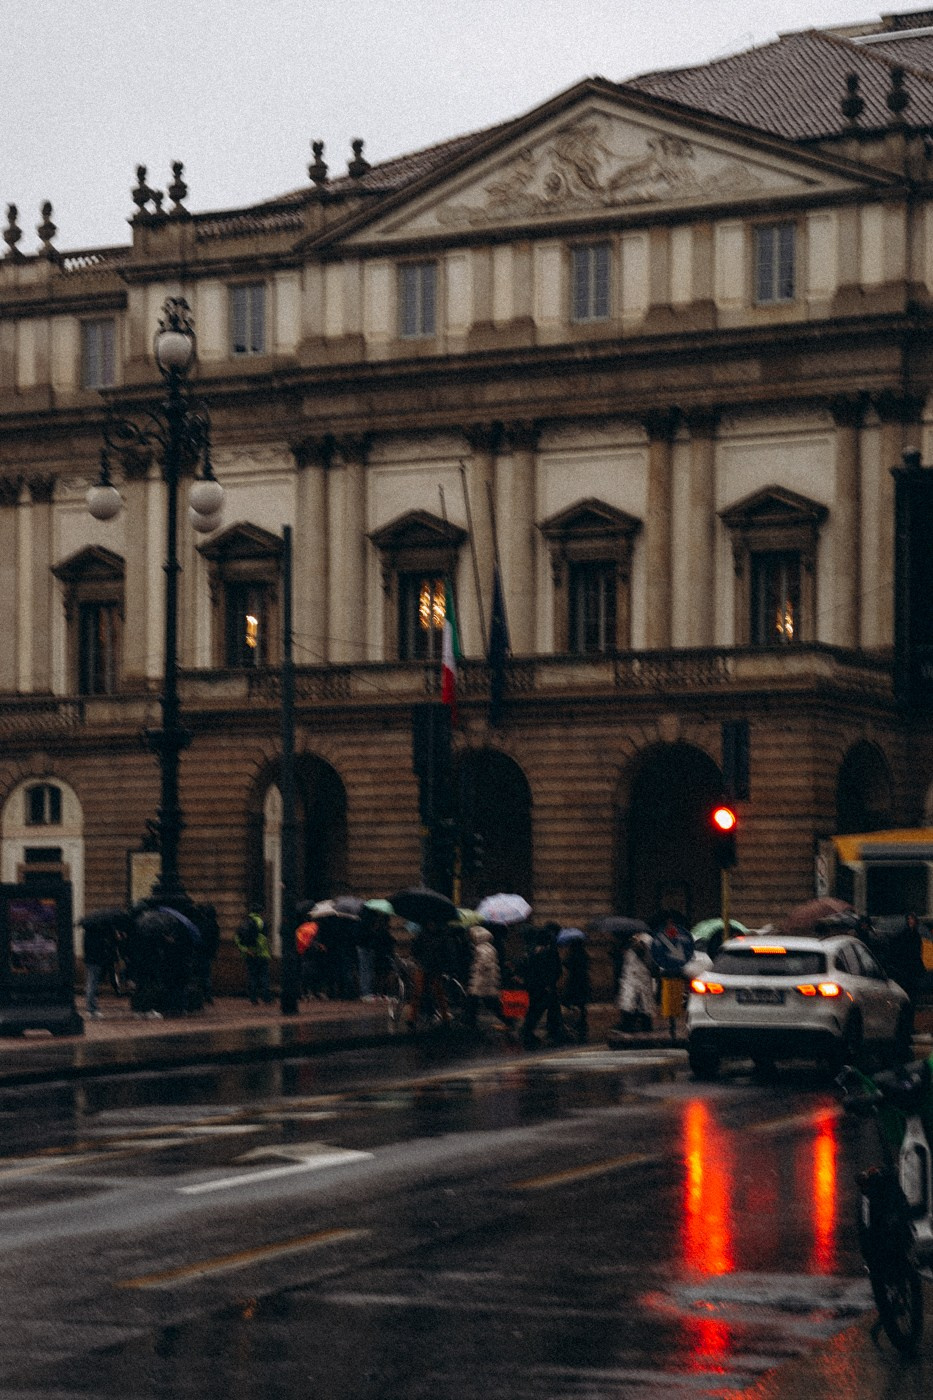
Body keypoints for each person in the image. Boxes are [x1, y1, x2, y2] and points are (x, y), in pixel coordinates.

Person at [521, 924, 566, 1048]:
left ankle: (528, 1032)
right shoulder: (550, 952)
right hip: (547, 987)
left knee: (535, 1010)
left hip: (534, 986)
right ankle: (553, 1033)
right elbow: (556, 970)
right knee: (549, 1009)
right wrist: (551, 982)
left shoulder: (531, 951)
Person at [886, 912, 926, 1038]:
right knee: (905, 1001)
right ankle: (904, 1027)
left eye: (912, 919)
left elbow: (917, 954)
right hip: (905, 974)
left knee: (912, 1001)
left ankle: (908, 1026)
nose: (911, 921)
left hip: (912, 973)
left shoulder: (916, 936)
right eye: (909, 919)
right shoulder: (903, 936)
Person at [465, 925, 512, 1032]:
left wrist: (477, 967)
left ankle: (509, 1021)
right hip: (485, 981)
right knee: (474, 1001)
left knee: (490, 1003)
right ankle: (470, 1022)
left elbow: (484, 963)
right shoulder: (490, 947)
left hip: (483, 981)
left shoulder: (481, 949)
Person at [406, 918, 451, 1030]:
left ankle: (445, 1017)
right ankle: (412, 1018)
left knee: (438, 992)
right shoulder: (423, 935)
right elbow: (415, 949)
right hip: (424, 965)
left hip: (435, 967)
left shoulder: (441, 936)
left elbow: (446, 952)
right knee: (418, 992)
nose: (432, 925)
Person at [616, 932, 656, 1033]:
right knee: (629, 1001)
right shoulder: (630, 940)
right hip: (630, 975)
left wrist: (637, 944)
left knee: (644, 1002)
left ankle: (645, 1024)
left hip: (641, 975)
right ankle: (628, 1024)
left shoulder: (646, 938)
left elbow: (646, 955)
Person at [235, 909, 273, 1004]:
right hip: (262, 955)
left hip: (249, 954)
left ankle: (253, 998)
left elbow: (237, 938)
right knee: (264, 976)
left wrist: (246, 949)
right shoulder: (261, 922)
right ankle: (266, 997)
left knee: (252, 976)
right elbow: (263, 940)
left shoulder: (245, 922)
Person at [82, 917, 115, 1019]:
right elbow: (99, 948)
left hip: (90, 960)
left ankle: (91, 1007)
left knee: (91, 983)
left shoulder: (87, 934)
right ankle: (91, 1008)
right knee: (92, 984)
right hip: (95, 961)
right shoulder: (96, 935)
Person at [561, 935, 590, 1043]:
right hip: (583, 984)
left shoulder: (573, 955)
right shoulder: (584, 954)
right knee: (581, 1007)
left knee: (568, 1004)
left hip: (574, 984)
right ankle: (581, 1028)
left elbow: (566, 964)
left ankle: (573, 1026)